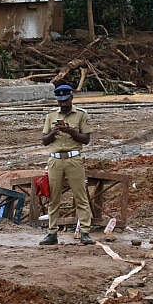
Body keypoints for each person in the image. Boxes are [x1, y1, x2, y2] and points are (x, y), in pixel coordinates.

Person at [39, 83, 94, 245]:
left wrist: (70, 131)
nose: (62, 104)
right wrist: (54, 132)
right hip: (55, 159)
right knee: (54, 197)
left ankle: (85, 231)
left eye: (65, 100)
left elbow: (86, 139)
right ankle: (52, 232)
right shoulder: (51, 116)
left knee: (80, 195)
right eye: (60, 101)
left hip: (73, 159)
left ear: (71, 98)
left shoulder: (81, 115)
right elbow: (44, 141)